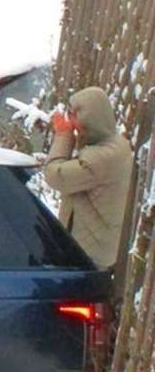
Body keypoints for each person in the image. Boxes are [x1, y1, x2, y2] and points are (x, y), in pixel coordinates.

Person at [42, 87, 134, 268]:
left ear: (89, 119)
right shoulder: (116, 146)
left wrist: (63, 135)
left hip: (87, 256)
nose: (72, 122)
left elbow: (54, 175)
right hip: (94, 248)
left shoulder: (99, 159)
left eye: (74, 116)